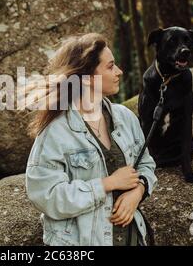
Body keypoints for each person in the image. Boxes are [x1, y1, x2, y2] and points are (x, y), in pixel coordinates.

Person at [25, 33, 158, 246]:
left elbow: (146, 164)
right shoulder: (55, 131)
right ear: (87, 78)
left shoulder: (125, 117)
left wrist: (138, 190)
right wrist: (107, 184)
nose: (119, 72)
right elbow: (46, 196)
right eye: (110, 66)